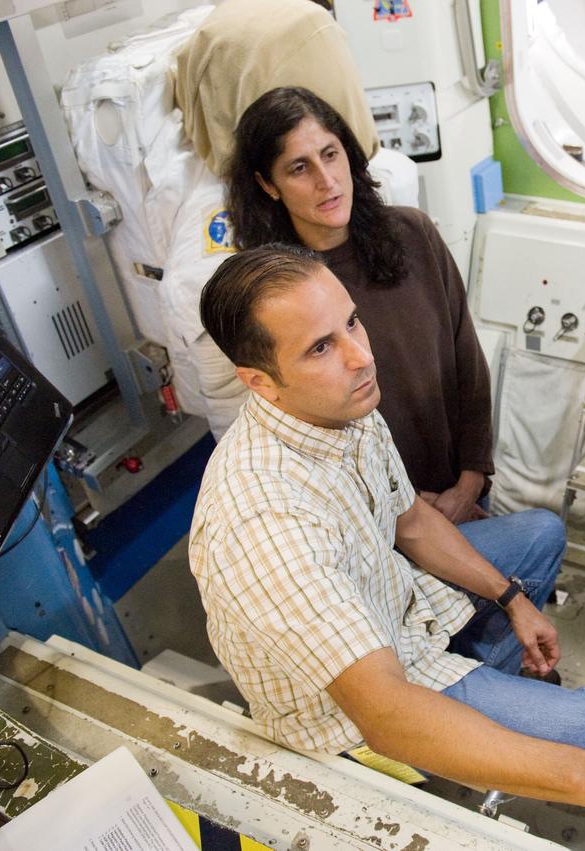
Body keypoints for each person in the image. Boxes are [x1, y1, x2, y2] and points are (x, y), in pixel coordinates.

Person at [188, 244, 585, 831]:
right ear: (261, 382)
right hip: (361, 712)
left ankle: (487, 698)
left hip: (395, 613)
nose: (361, 356)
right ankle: (463, 738)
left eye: (352, 322)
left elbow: (412, 522)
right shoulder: (264, 523)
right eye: (320, 347)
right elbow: (385, 713)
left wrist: (513, 600)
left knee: (541, 534)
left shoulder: (339, 409)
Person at [227, 86, 493, 526]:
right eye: (299, 167)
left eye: (330, 155)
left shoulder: (414, 233)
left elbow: (468, 360)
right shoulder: (271, 296)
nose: (326, 180)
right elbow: (305, 432)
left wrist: (472, 478)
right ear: (267, 185)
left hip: (462, 490)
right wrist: (403, 509)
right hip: (373, 517)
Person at [173, 0, 379, 179]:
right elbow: (357, 122)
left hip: (250, 180)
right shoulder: (314, 19)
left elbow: (193, 119)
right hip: (340, 168)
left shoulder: (208, 32)